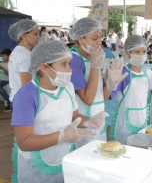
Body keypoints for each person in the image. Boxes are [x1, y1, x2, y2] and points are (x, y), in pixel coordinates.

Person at [10, 40, 106, 183]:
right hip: (35, 167)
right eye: (64, 64)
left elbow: (73, 116)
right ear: (44, 67)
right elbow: (24, 142)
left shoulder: (67, 87)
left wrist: (89, 121)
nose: (70, 70)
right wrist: (61, 136)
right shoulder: (26, 96)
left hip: (65, 157)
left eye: (69, 63)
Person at [106, 35, 152, 144]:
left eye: (143, 51)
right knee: (124, 148)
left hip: (142, 119)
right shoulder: (123, 73)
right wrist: (111, 83)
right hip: (124, 122)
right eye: (137, 52)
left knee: (141, 146)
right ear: (127, 53)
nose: (141, 55)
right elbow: (109, 95)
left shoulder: (147, 72)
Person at [68, 18, 119, 148]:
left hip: (98, 120)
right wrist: (95, 67)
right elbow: (88, 99)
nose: (99, 43)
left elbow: (103, 97)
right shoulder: (75, 60)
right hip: (84, 123)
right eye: (94, 38)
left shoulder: (94, 58)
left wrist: (110, 84)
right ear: (80, 39)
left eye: (100, 38)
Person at [8, 19, 40, 102]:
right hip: (24, 100)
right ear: (23, 35)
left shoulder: (17, 51)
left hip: (17, 97)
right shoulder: (25, 56)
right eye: (35, 34)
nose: (38, 37)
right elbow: (26, 86)